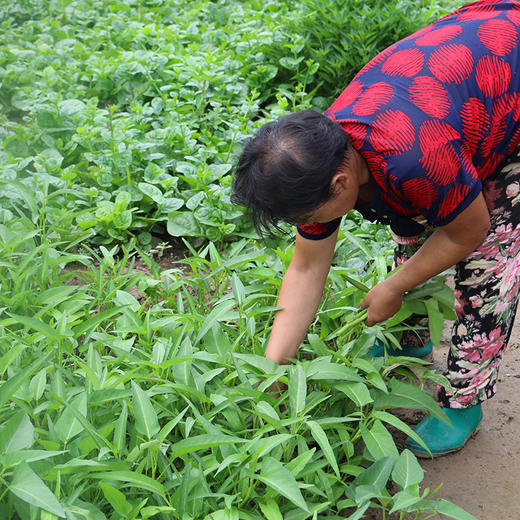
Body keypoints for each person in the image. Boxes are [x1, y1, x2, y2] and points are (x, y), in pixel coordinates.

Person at [231, 0, 520, 457]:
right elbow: (305, 270)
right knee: (414, 226)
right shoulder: (322, 155)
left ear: (340, 183)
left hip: (508, 94)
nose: (305, 228)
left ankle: (464, 404)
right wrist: (272, 370)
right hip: (456, 85)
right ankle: (412, 338)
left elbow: (469, 232)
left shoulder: (415, 157)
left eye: (306, 218)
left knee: (487, 272)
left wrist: (394, 286)